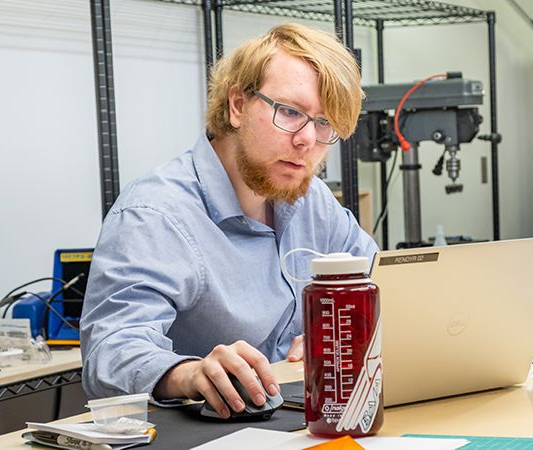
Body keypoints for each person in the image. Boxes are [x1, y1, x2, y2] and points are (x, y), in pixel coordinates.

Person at [80, 23, 377, 419]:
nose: (308, 140)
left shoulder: (312, 200)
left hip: (306, 419)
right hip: (211, 431)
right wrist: (187, 373)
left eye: (324, 123)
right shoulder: (155, 214)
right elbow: (111, 352)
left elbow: (381, 283)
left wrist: (348, 332)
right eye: (290, 112)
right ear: (237, 105)